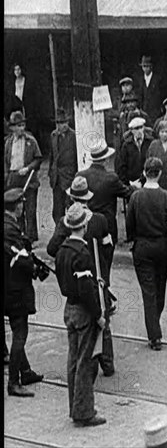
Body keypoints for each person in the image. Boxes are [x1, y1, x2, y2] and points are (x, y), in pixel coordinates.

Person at [46, 176, 115, 376]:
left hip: (77, 280)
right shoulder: (100, 220)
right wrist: (104, 270)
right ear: (87, 197)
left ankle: (84, 364)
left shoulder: (65, 223)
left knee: (83, 325)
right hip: (99, 276)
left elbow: (52, 249)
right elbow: (108, 247)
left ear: (71, 197)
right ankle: (107, 363)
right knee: (103, 320)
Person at [55, 203, 106, 427]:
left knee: (73, 360)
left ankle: (74, 407)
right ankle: (84, 411)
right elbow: (85, 289)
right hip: (84, 312)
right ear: (84, 225)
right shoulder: (82, 253)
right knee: (85, 362)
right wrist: (98, 315)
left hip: (69, 307)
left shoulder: (62, 250)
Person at [126, 158, 167, 350]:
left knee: (148, 291)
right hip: (162, 245)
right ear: (160, 173)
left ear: (144, 172)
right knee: (160, 286)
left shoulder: (136, 197)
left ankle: (154, 335)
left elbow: (129, 225)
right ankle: (155, 324)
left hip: (142, 247)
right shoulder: (166, 196)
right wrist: (162, 227)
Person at [4, 188, 44, 397]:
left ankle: (25, 371)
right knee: (20, 333)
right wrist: (35, 268)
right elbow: (21, 259)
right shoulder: (10, 230)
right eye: (22, 203)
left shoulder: (8, 226)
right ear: (18, 206)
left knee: (18, 328)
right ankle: (13, 382)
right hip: (15, 290)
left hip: (8, 288)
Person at [76, 140, 135, 275]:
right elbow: (127, 193)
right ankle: (104, 291)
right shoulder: (111, 178)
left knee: (87, 264)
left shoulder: (81, 176)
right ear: (105, 160)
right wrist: (135, 187)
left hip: (84, 225)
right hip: (106, 227)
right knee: (104, 266)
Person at [4, 111, 43, 242]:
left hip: (29, 179)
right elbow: (6, 161)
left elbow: (38, 159)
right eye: (18, 126)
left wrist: (28, 168)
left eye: (22, 125)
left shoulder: (31, 141)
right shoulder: (8, 142)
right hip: (14, 179)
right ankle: (19, 235)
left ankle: (31, 238)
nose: (21, 128)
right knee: (16, 208)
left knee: (30, 210)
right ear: (12, 128)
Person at [49, 108, 78, 223]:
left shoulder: (74, 136)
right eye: (60, 123)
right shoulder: (53, 136)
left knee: (71, 207)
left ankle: (73, 232)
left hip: (70, 177)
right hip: (57, 179)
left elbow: (77, 157)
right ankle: (60, 232)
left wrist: (76, 175)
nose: (63, 125)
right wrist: (51, 173)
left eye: (65, 122)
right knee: (57, 210)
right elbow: (52, 156)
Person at [118, 117, 154, 191]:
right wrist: (128, 184)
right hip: (132, 184)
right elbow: (122, 166)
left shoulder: (150, 142)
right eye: (136, 129)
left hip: (148, 181)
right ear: (131, 131)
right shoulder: (126, 145)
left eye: (141, 127)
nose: (139, 131)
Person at [137, 55, 163, 123]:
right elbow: (140, 96)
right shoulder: (140, 80)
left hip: (155, 111)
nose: (145, 69)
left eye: (147, 66)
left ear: (151, 67)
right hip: (144, 112)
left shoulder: (157, 79)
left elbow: (161, 95)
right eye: (144, 66)